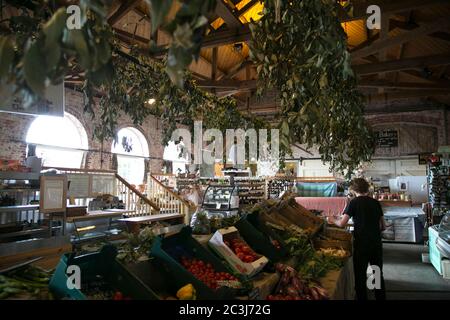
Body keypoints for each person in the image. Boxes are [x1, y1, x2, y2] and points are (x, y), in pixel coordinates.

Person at [327, 178, 387, 300]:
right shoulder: (375, 202)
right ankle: (379, 297)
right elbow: (383, 226)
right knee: (376, 273)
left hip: (361, 244)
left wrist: (332, 220)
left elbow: (342, 224)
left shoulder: (354, 202)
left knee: (360, 275)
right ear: (366, 188)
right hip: (376, 244)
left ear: (354, 190)